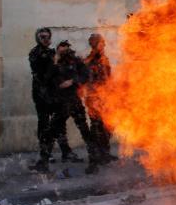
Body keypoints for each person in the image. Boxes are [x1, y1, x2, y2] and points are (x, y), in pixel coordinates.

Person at [38, 41, 100, 173]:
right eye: (61, 51)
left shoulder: (76, 62)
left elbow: (86, 75)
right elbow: (46, 80)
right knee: (52, 132)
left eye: (65, 50)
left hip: (74, 101)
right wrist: (54, 63)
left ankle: (94, 162)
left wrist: (72, 81)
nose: (63, 53)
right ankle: (44, 162)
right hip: (60, 103)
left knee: (84, 131)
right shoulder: (54, 63)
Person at [28, 28, 76, 168]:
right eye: (43, 37)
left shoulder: (51, 53)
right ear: (38, 38)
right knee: (44, 123)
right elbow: (43, 75)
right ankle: (45, 154)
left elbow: (60, 70)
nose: (46, 40)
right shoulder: (35, 53)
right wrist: (55, 62)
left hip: (54, 93)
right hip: (42, 94)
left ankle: (65, 151)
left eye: (48, 37)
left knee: (59, 122)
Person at [83, 33, 117, 163]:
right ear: (95, 45)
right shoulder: (90, 60)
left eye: (103, 42)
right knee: (97, 127)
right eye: (101, 43)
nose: (104, 45)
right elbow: (90, 82)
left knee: (108, 125)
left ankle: (105, 152)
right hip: (95, 98)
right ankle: (96, 154)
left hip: (106, 97)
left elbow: (108, 77)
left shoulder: (104, 59)